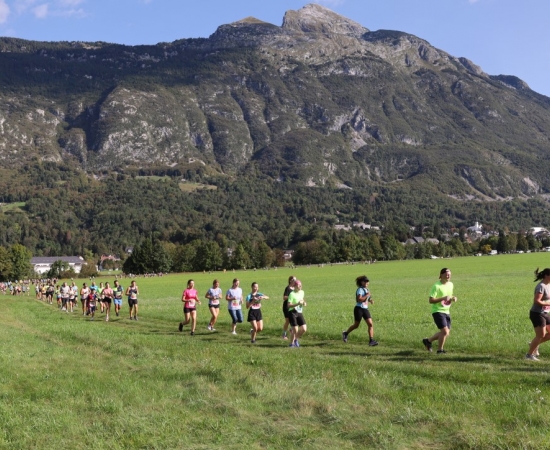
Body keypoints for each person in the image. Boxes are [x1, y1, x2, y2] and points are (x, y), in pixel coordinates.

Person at [422, 268, 457, 354]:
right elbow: (431, 300)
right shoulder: (436, 286)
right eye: (446, 274)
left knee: (446, 333)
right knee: (444, 332)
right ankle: (440, 350)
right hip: (437, 311)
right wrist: (443, 298)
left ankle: (428, 341)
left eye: (449, 275)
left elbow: (449, 296)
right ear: (441, 275)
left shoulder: (451, 284)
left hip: (446, 311)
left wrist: (453, 298)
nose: (448, 276)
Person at [342, 275, 378, 346]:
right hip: (359, 309)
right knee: (356, 325)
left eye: (367, 281)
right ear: (361, 282)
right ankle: (345, 333)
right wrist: (367, 295)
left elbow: (367, 298)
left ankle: (371, 341)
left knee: (370, 324)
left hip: (365, 309)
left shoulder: (367, 289)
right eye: (365, 281)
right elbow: (359, 299)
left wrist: (370, 300)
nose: (366, 282)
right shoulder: (360, 290)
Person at [526, 268, 550, 360]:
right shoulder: (541, 286)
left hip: (545, 313)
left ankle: (533, 344)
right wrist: (548, 304)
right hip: (537, 313)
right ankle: (529, 355)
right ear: (546, 275)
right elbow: (536, 301)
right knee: (541, 335)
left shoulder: (548, 285)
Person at [287, 279, 307, 347]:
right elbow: (289, 305)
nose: (300, 286)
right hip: (292, 312)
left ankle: (295, 339)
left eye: (301, 285)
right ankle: (291, 344)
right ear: (295, 286)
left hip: (299, 312)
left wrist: (304, 303)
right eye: (299, 285)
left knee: (304, 329)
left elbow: (302, 299)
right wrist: (297, 304)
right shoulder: (292, 294)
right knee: (295, 329)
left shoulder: (302, 292)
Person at [282, 275, 296, 340]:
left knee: (294, 320)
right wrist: (291, 297)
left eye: (295, 279)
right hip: (286, 307)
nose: (295, 281)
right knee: (287, 321)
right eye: (293, 280)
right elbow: (284, 297)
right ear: (290, 281)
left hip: (293, 306)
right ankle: (284, 334)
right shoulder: (288, 288)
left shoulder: (295, 288)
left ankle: (291, 330)